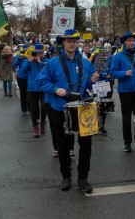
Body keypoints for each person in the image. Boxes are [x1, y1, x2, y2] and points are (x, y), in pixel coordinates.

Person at [37, 29, 100, 193]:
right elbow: (41, 81)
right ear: (63, 42)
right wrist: (55, 89)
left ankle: (83, 178)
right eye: (68, 41)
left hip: (83, 107)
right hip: (60, 107)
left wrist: (94, 81)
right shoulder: (53, 63)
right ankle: (66, 176)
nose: (72, 43)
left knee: (86, 144)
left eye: (74, 40)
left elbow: (93, 85)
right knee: (63, 145)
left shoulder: (86, 63)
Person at [109, 31, 135, 152]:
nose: (132, 42)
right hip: (125, 91)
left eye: (133, 40)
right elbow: (112, 73)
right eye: (129, 40)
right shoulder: (118, 56)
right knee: (126, 118)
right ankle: (127, 142)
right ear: (125, 42)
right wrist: (124, 73)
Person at [18, 42, 47, 137]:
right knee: (33, 108)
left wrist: (40, 63)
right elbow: (22, 72)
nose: (39, 54)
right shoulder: (29, 61)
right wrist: (28, 62)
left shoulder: (46, 60)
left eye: (41, 53)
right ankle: (35, 127)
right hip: (32, 88)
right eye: (37, 53)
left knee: (43, 107)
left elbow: (47, 71)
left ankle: (42, 123)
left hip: (43, 87)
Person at [13, 44, 30, 116]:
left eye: (27, 51)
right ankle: (24, 109)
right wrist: (19, 59)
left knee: (30, 94)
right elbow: (14, 65)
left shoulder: (31, 56)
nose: (26, 52)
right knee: (23, 94)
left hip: (30, 77)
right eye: (25, 51)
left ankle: (30, 108)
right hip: (21, 78)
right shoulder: (20, 56)